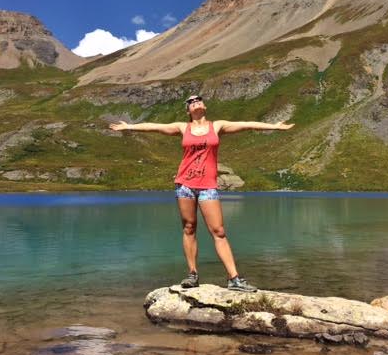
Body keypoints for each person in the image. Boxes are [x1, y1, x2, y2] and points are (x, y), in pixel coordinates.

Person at [109, 94, 294, 292]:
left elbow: (246, 124)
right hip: (185, 184)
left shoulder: (217, 126)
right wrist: (129, 127)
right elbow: (156, 126)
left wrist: (274, 126)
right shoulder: (182, 127)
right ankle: (192, 274)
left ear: (204, 106)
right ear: (187, 110)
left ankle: (234, 278)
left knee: (219, 231)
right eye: (190, 101)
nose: (195, 101)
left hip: (208, 186)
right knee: (189, 228)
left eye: (199, 99)